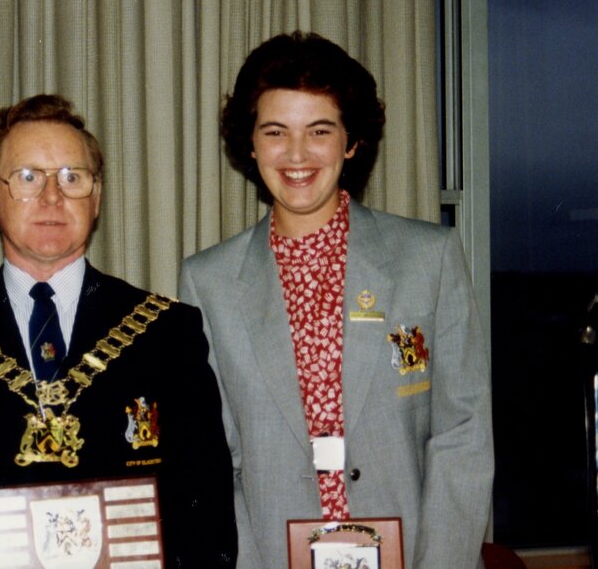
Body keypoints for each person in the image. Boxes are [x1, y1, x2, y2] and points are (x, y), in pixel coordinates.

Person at [178, 32, 494, 568]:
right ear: (250, 144)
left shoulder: (429, 258)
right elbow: (216, 460)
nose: (296, 154)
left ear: (352, 142)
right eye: (275, 131)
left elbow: (461, 435)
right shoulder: (207, 281)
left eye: (319, 131)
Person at [0, 94, 236, 567]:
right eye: (28, 178)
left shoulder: (166, 333)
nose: (52, 197)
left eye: (73, 178)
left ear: (96, 198)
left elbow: (206, 510)